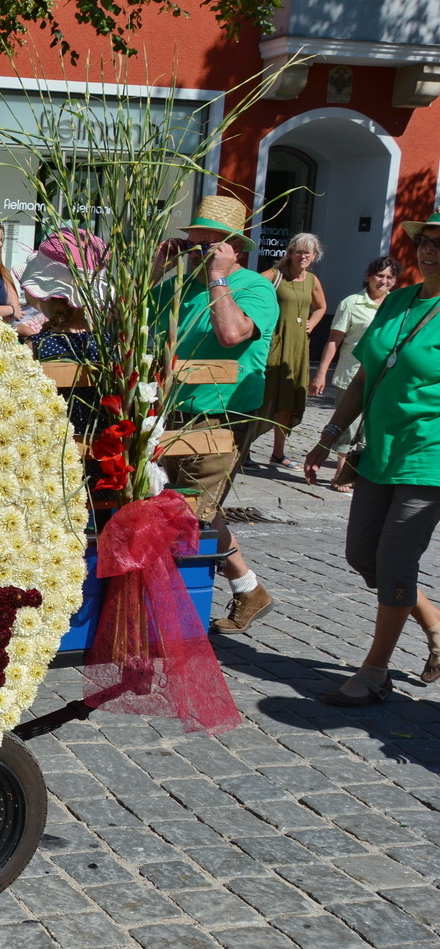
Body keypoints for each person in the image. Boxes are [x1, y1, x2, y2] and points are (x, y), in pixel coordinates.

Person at [302, 215, 440, 704]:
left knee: (396, 559)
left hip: (430, 457)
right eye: (427, 241)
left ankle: (375, 671)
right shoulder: (399, 300)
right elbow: (365, 376)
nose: (430, 251)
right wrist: (329, 436)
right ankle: (438, 626)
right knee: (363, 555)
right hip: (378, 450)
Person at [150, 194, 280, 634]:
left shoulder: (255, 288)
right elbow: (122, 320)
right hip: (172, 413)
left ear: (231, 247)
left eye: (206, 246)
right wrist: (156, 269)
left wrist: (218, 279)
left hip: (222, 419)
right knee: (188, 506)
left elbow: (231, 334)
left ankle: (172, 615)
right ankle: (248, 589)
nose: (197, 254)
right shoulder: (178, 286)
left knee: (189, 513)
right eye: (191, 243)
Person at [309, 255, 399, 490]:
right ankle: (340, 474)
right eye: (380, 275)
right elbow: (333, 340)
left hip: (382, 379)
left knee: (370, 429)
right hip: (350, 376)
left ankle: (360, 472)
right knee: (348, 428)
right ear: (369, 276)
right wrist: (321, 374)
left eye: (390, 277)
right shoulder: (351, 303)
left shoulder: (397, 305)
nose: (384, 281)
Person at [253, 232, 328, 467]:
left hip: (298, 347)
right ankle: (243, 449)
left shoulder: (312, 280)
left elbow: (322, 306)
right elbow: (248, 289)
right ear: (290, 253)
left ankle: (278, 452)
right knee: (264, 398)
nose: (303, 255)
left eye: (308, 252)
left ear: (314, 256)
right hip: (275, 345)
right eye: (299, 250)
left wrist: (313, 322)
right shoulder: (275, 276)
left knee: (287, 398)